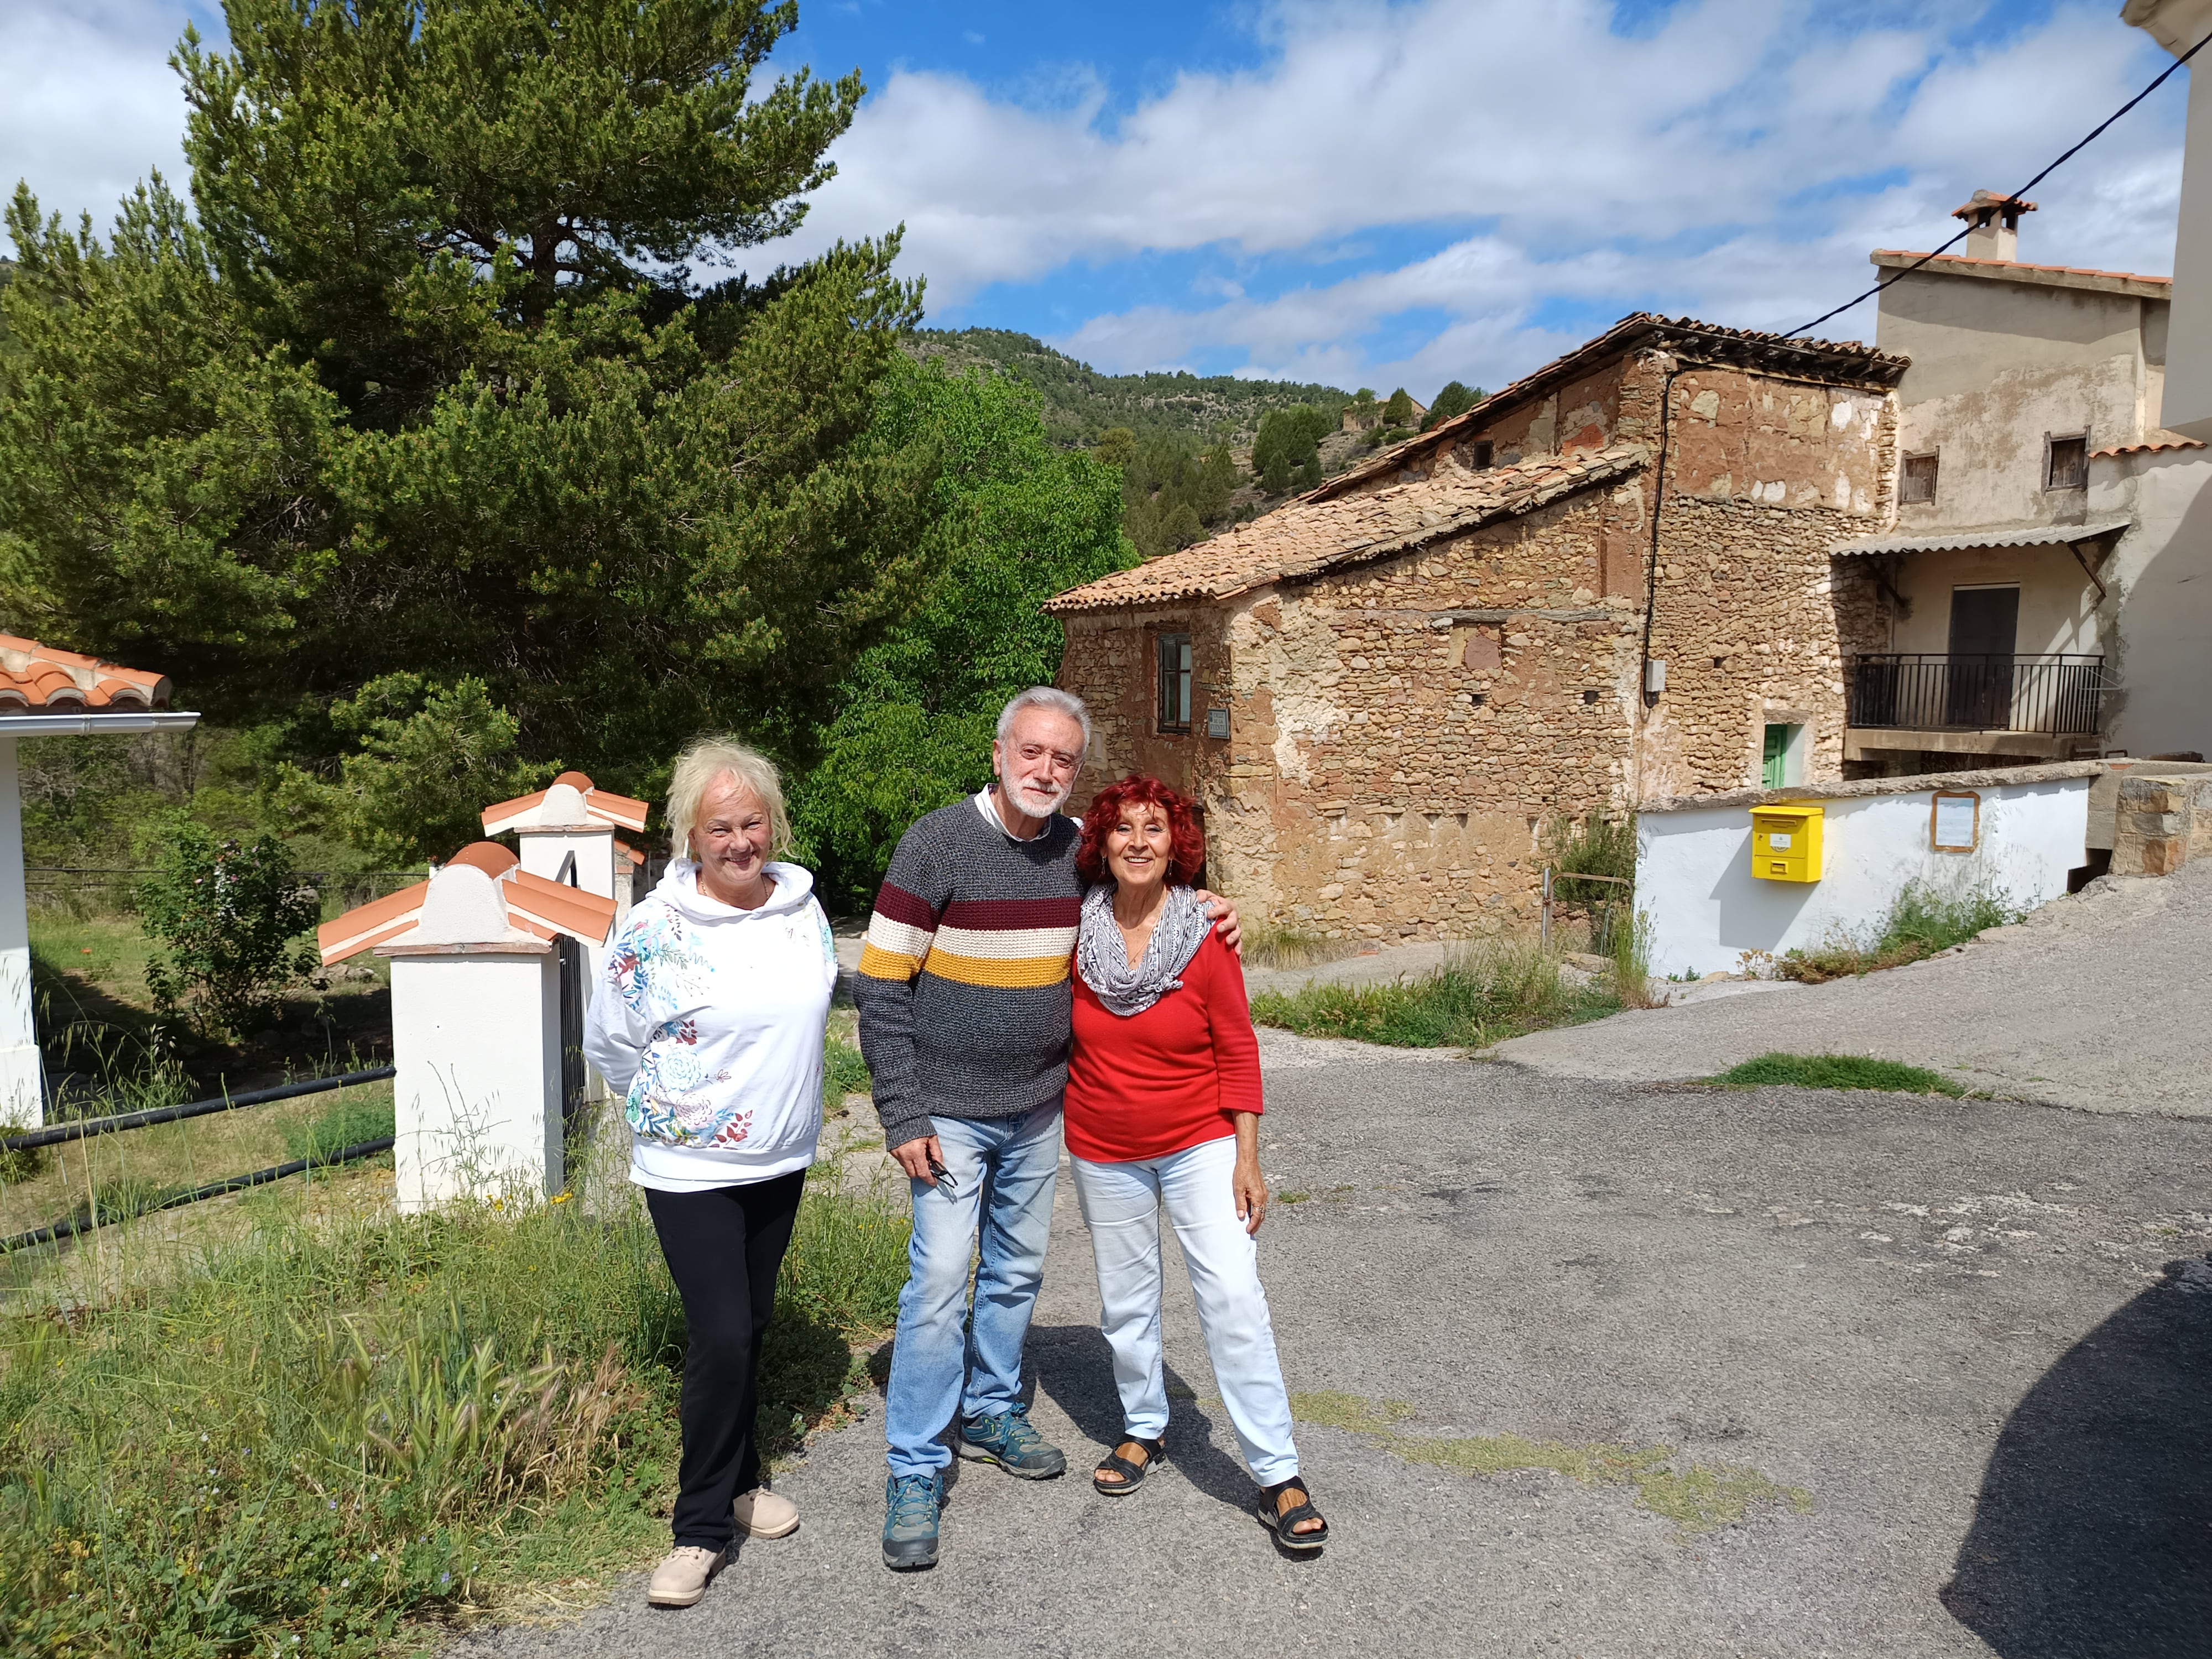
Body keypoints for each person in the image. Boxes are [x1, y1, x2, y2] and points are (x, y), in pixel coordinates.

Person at [854, 687, 1240, 1571]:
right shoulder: (936, 842)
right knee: (942, 1278)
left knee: (1018, 1270)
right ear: (998, 755)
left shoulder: (1077, 853)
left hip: (1038, 1108)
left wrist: (1217, 909)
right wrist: (902, 1112)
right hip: (947, 1113)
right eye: (1031, 753)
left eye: (1063, 760)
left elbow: (1153, 901)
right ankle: (916, 1464)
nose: (1046, 771)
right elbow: (879, 985)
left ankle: (991, 1409)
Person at [583, 736, 839, 1609]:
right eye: (719, 827)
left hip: (781, 1154)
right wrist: (676, 1111)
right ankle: (699, 1528)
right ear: (691, 838)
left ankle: (742, 1481)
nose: (740, 841)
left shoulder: (802, 909)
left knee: (755, 1322)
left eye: (752, 822)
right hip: (688, 1163)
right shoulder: (652, 929)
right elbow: (611, 1042)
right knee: (722, 1334)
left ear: (774, 823)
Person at [1064, 774, 1327, 1550]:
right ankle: (1146, 1428)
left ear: (1178, 844)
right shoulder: (1073, 932)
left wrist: (1248, 1155)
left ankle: (1278, 1474)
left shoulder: (1207, 934)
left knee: (1234, 1298)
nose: (1139, 843)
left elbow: (1237, 1045)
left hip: (1199, 1142)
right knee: (1125, 1302)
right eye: (1124, 829)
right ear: (1102, 843)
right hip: (1102, 1146)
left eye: (1156, 829)